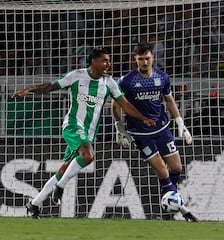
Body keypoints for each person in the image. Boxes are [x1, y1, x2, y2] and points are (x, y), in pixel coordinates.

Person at [12, 47, 155, 219]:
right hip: (73, 125)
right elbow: (50, 87)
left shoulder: (109, 83)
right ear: (93, 62)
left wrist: (143, 118)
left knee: (64, 168)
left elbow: (124, 104)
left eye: (109, 61)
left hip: (88, 133)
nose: (108, 64)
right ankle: (61, 187)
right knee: (88, 156)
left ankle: (34, 203)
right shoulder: (76, 75)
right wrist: (28, 90)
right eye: (104, 61)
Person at [111, 42, 199, 222]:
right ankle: (179, 210)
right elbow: (115, 104)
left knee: (176, 168)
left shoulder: (162, 77)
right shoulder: (126, 81)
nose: (144, 62)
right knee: (163, 173)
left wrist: (180, 123)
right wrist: (119, 129)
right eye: (141, 59)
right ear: (135, 59)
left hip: (163, 130)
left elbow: (169, 101)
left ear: (152, 58)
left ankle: (169, 203)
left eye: (147, 58)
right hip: (140, 134)